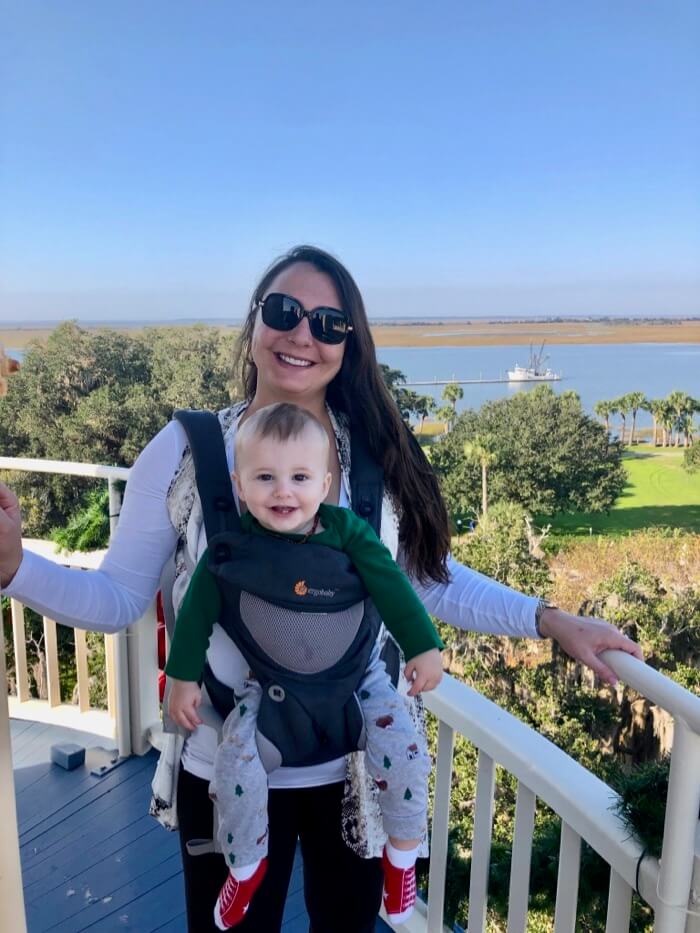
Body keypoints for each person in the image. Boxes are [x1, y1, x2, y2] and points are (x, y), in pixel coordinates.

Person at [0, 244, 643, 933]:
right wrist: (15, 567)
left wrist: (549, 620)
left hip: (356, 770)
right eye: (284, 311)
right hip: (226, 766)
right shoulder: (187, 451)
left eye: (330, 323)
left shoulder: (376, 452)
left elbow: (422, 581)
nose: (304, 333)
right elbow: (116, 598)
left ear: (349, 343)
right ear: (253, 326)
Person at [167, 401, 444, 928]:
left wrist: (422, 646)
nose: (282, 491)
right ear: (239, 484)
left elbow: (392, 587)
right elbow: (196, 615)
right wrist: (182, 680)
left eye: (299, 477)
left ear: (325, 482)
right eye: (265, 477)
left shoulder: (347, 532)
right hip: (266, 690)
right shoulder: (230, 548)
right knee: (236, 768)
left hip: (357, 684)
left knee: (404, 752)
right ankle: (245, 867)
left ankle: (403, 858)